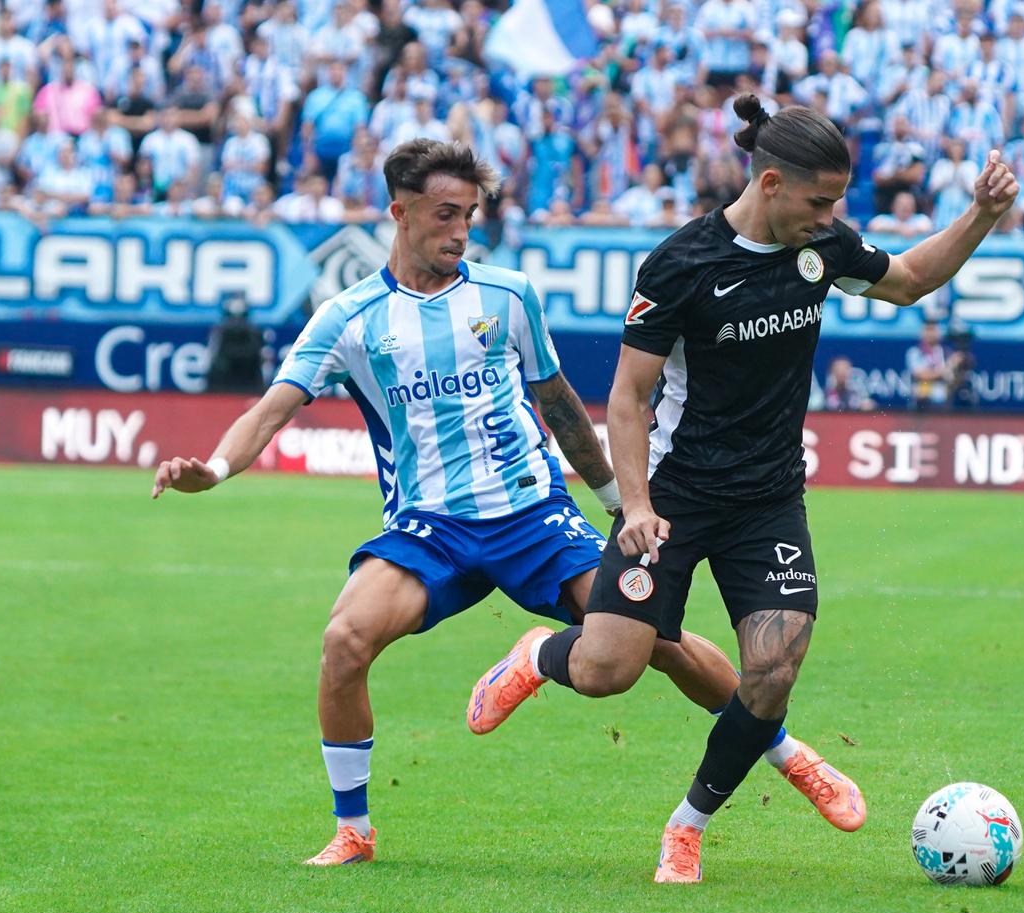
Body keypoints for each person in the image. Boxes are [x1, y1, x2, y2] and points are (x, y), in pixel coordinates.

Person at [149, 139, 839, 866]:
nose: (460, 232)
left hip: (534, 517)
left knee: (649, 645)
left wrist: (615, 500)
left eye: (470, 216)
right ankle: (353, 827)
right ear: (399, 212)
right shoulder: (348, 319)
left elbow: (563, 406)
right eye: (446, 215)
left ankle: (787, 752)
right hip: (428, 528)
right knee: (344, 641)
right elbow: (270, 409)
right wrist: (218, 468)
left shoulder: (507, 294)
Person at [465, 97, 1017, 883]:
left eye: (838, 202)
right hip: (673, 497)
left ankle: (687, 828)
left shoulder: (823, 247)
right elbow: (627, 397)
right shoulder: (681, 265)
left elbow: (911, 281)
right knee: (607, 670)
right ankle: (537, 656)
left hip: (768, 501)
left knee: (774, 669)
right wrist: (638, 505)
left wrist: (981, 214)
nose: (833, 216)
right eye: (820, 200)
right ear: (768, 183)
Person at [204, 294, 266, 393]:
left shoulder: (254, 331)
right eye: (232, 319)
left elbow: (260, 357)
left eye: (240, 319)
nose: (236, 323)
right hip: (223, 382)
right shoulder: (220, 332)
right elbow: (213, 355)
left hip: (250, 380)